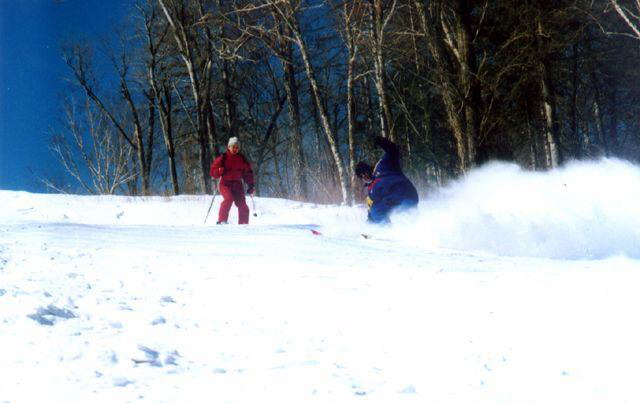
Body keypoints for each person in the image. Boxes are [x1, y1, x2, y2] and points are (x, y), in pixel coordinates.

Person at [355, 136, 419, 224]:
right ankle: (414, 229)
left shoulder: (382, 166)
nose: (364, 178)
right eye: (361, 177)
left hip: (405, 193)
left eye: (364, 173)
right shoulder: (371, 190)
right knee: (376, 210)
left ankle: (386, 230)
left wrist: (382, 142)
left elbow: (393, 151)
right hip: (399, 202)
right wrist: (369, 227)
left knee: (377, 210)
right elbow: (371, 210)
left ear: (367, 169)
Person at [210, 137, 255, 225]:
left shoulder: (242, 159)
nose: (235, 149)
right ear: (229, 147)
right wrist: (218, 171)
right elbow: (212, 172)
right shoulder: (223, 158)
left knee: (242, 204)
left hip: (237, 184)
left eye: (237, 147)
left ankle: (243, 224)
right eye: (233, 147)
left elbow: (248, 173)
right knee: (228, 199)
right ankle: (222, 221)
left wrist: (251, 185)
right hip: (225, 184)